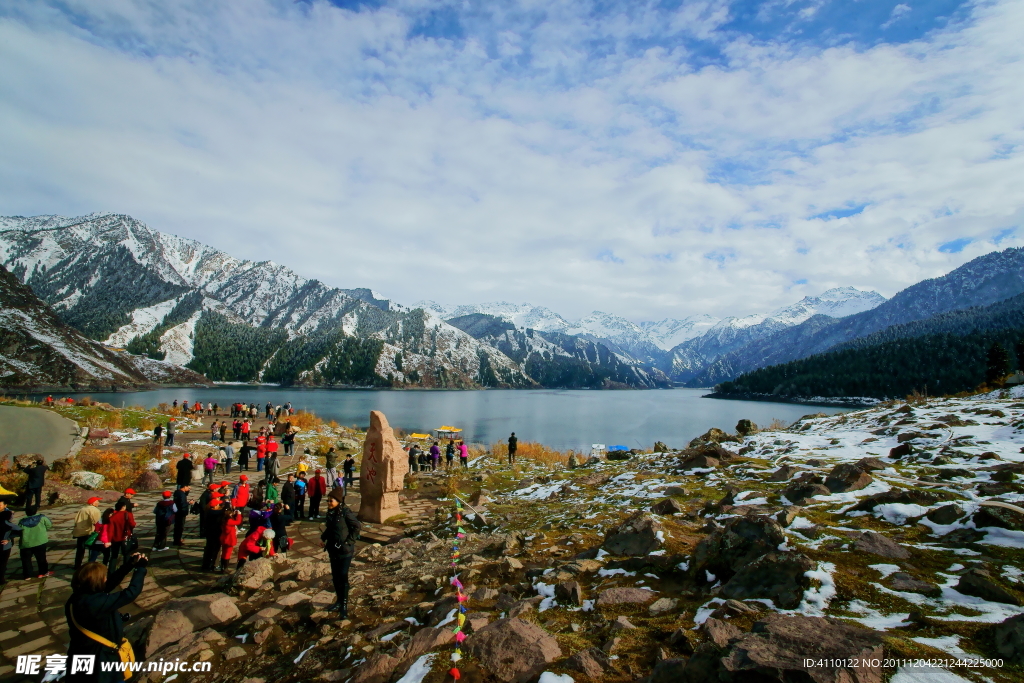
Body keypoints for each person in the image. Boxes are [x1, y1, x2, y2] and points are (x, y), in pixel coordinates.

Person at [65, 553, 148, 683]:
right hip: (101, 662)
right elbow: (130, 593)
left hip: (82, 654)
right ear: (96, 582)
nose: (106, 579)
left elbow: (108, 585)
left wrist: (129, 565)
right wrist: (140, 569)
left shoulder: (78, 597)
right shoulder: (95, 603)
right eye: (104, 577)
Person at [321, 487, 361, 616]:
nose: (328, 503)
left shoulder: (345, 512)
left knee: (343, 576)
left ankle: (344, 605)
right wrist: (323, 537)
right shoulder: (331, 512)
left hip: (345, 550)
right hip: (333, 549)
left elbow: (356, 526)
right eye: (327, 500)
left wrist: (349, 541)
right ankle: (338, 601)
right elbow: (330, 528)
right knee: (336, 576)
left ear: (338, 501)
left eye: (330, 500)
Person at [19, 504, 54, 578]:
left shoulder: (22, 521)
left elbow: (18, 531)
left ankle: (27, 575)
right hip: (40, 541)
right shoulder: (42, 518)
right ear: (35, 511)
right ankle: (42, 573)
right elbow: (49, 525)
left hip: (26, 543)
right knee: (41, 558)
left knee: (26, 560)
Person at [72, 497, 102, 570]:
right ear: (93, 503)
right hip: (89, 532)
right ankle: (90, 565)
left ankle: (77, 565)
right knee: (93, 549)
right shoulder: (95, 510)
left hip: (80, 532)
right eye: (97, 501)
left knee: (80, 550)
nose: (98, 502)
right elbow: (97, 522)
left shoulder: (82, 509)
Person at [107, 501, 135, 573]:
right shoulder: (128, 514)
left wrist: (109, 540)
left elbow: (110, 530)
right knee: (126, 554)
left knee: (114, 556)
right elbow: (132, 524)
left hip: (115, 538)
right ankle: (126, 569)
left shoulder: (113, 517)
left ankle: (111, 570)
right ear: (123, 507)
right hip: (125, 537)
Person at [201, 496, 226, 571]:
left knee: (209, 549)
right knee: (215, 550)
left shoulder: (208, 511)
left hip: (209, 533)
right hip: (215, 533)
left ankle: (206, 564)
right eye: (218, 504)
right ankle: (213, 565)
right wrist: (226, 506)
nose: (219, 505)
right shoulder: (213, 513)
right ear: (215, 506)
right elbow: (220, 512)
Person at [218, 508, 242, 572]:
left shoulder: (224, 519)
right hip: (229, 539)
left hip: (224, 538)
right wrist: (239, 515)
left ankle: (222, 567)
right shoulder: (229, 521)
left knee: (223, 552)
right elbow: (238, 522)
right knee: (227, 553)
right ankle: (225, 568)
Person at [0, 499, 14, 585]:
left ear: (5, 505)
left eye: (0, 505)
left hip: (4, 543)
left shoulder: (7, 514)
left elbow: (15, 529)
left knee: (3, 562)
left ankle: (1, 577)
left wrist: (8, 539)